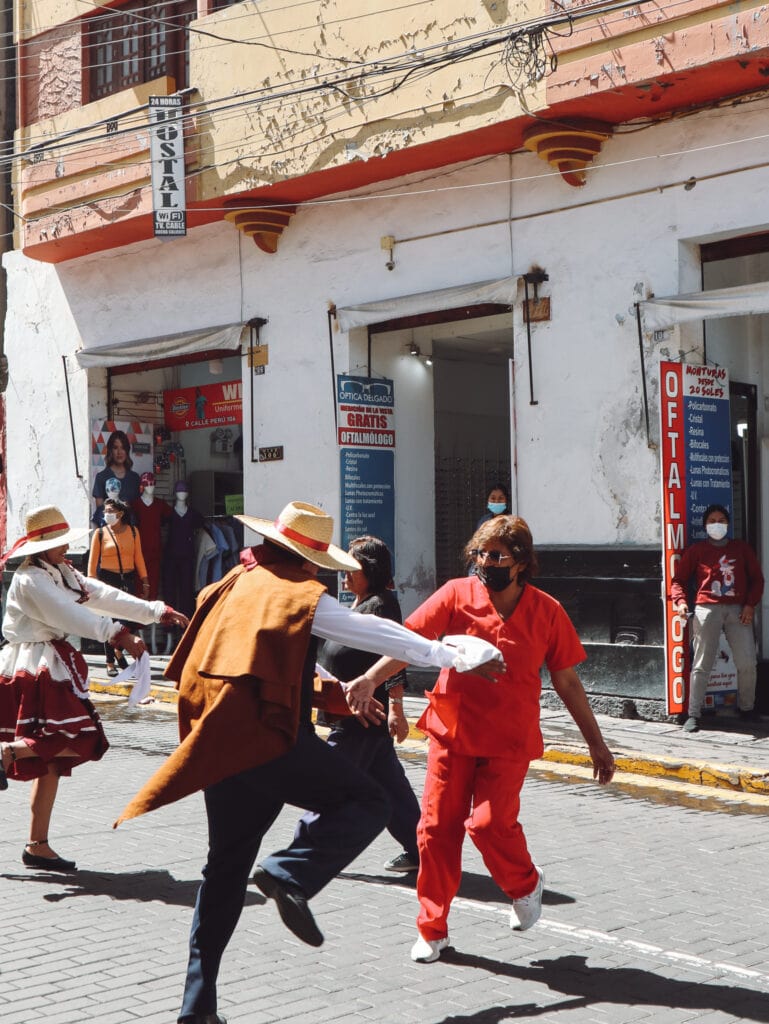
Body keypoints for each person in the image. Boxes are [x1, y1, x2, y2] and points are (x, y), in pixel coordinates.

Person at [113, 500, 502, 1024]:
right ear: (305, 560)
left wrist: (333, 690)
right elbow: (368, 633)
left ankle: (197, 1008)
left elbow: (258, 663)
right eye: (317, 562)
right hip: (265, 741)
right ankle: (289, 872)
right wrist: (451, 655)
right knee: (368, 801)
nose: (319, 572)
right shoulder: (296, 593)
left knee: (224, 872)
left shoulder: (230, 584)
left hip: (218, 747)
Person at [345, 513, 616, 964]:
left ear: (521, 562)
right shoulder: (456, 594)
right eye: (479, 554)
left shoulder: (547, 611)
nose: (484, 563)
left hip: (509, 739)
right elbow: (410, 642)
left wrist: (596, 743)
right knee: (435, 832)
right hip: (453, 732)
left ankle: (525, 884)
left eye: (496, 556)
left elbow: (567, 682)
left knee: (489, 825)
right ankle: (432, 929)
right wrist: (370, 680)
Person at [0, 504, 188, 872]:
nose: (66, 549)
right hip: (30, 667)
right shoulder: (30, 579)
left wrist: (154, 610)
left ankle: (37, 845)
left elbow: (101, 595)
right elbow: (70, 615)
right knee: (71, 737)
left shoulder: (58, 571)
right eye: (58, 543)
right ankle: (5, 754)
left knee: (51, 761)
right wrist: (117, 634)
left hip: (50, 664)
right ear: (39, 547)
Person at [295, 535, 421, 875]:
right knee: (392, 788)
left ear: (372, 570)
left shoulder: (381, 605)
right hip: (350, 714)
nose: (345, 573)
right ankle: (422, 849)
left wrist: (396, 706)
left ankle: (298, 859)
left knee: (325, 781)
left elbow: (395, 652)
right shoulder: (352, 604)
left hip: (363, 718)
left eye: (354, 567)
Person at [671, 503, 764, 733]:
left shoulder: (741, 549)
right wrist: (681, 603)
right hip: (706, 609)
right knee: (702, 663)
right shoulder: (696, 551)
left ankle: (747, 709)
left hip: (737, 610)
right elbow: (678, 581)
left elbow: (757, 579)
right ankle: (693, 715)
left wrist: (750, 605)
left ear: (728, 523)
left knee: (747, 662)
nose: (717, 524)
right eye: (712, 520)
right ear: (705, 525)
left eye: (721, 520)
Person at [88, 497, 150, 677]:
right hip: (108, 580)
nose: (106, 514)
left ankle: (119, 650)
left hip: (128, 579)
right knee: (110, 620)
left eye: (110, 511)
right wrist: (93, 587)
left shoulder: (133, 532)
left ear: (120, 514)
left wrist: (145, 581)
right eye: (105, 511)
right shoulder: (99, 534)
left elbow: (138, 557)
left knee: (130, 619)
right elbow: (92, 566)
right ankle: (110, 661)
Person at [92, 429, 142, 517]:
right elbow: (100, 511)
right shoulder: (101, 477)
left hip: (131, 528)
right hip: (110, 527)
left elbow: (139, 509)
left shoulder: (135, 478)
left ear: (127, 450)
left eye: (123, 447)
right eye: (115, 448)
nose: (119, 452)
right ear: (110, 450)